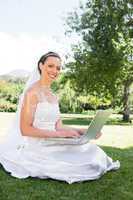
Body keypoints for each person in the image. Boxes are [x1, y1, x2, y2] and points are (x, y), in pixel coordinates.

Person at [0, 51, 120, 184]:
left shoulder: (53, 96)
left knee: (93, 151)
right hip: (38, 145)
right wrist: (60, 134)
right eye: (50, 66)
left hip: (54, 140)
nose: (55, 71)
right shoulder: (32, 93)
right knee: (78, 165)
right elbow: (25, 130)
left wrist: (84, 131)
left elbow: (59, 126)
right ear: (41, 66)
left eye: (58, 68)